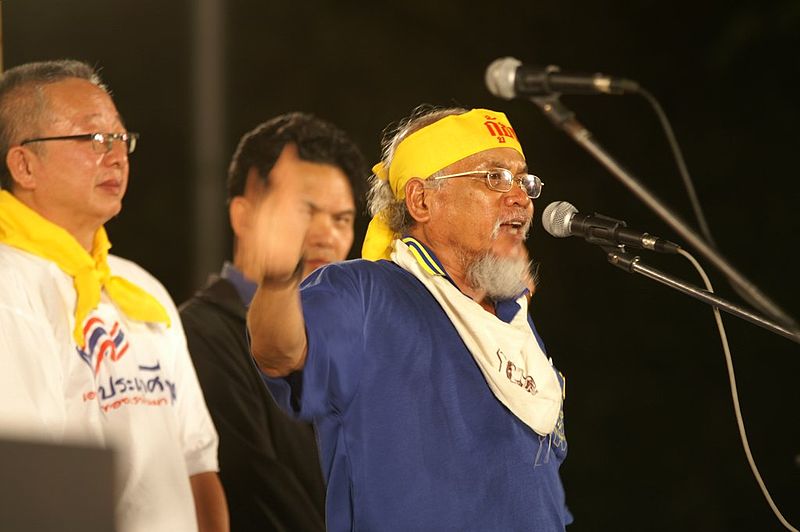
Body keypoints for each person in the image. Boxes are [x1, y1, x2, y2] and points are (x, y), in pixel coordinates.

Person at [246, 106, 571, 530]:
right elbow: (279, 353)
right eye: (495, 177)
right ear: (422, 200)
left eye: (523, 181)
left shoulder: (512, 320)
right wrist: (276, 281)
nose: (520, 198)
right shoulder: (365, 292)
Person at [0, 60, 227, 532]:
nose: (118, 155)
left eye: (121, 138)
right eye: (94, 138)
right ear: (24, 165)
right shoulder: (10, 284)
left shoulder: (140, 288)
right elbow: (27, 477)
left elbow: (197, 462)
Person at [179, 112, 366, 531]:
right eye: (304, 211)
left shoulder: (356, 342)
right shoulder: (198, 336)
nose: (326, 235)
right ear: (244, 216)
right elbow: (257, 495)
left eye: (341, 219)